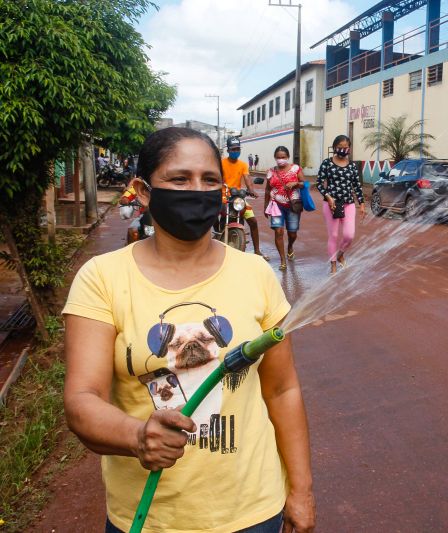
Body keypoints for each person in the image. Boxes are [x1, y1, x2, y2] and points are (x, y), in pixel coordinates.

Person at [62, 127, 315, 533]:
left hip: (254, 511)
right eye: (179, 180)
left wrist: (301, 491)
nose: (196, 191)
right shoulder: (102, 278)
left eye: (209, 180)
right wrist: (137, 436)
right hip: (150, 521)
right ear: (144, 192)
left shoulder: (254, 273)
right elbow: (81, 399)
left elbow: (282, 389)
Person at [316, 135, 366, 274]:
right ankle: (333, 264)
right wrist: (328, 196)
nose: (343, 150)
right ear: (334, 148)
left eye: (346, 147)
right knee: (333, 235)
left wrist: (361, 204)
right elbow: (319, 183)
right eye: (340, 147)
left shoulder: (352, 166)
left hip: (349, 204)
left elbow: (357, 186)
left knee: (349, 235)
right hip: (332, 204)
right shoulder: (327, 163)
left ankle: (340, 255)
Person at [222, 138, 267, 259]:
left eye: (238, 149)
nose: (236, 151)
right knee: (214, 214)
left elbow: (247, 179)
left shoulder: (243, 164)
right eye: (233, 149)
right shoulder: (222, 163)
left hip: (237, 197)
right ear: (228, 150)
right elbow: (218, 178)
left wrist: (251, 190)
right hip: (224, 196)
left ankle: (257, 251)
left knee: (253, 221)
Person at [265, 146, 304, 271]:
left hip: (292, 205)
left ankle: (290, 247)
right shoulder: (271, 172)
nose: (280, 159)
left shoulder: (296, 169)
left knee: (292, 233)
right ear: (275, 158)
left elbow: (305, 184)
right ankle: (283, 260)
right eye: (278, 157)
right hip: (276, 205)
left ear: (287, 157)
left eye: (283, 157)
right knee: (278, 232)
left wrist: (296, 183)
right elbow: (267, 189)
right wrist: (266, 206)